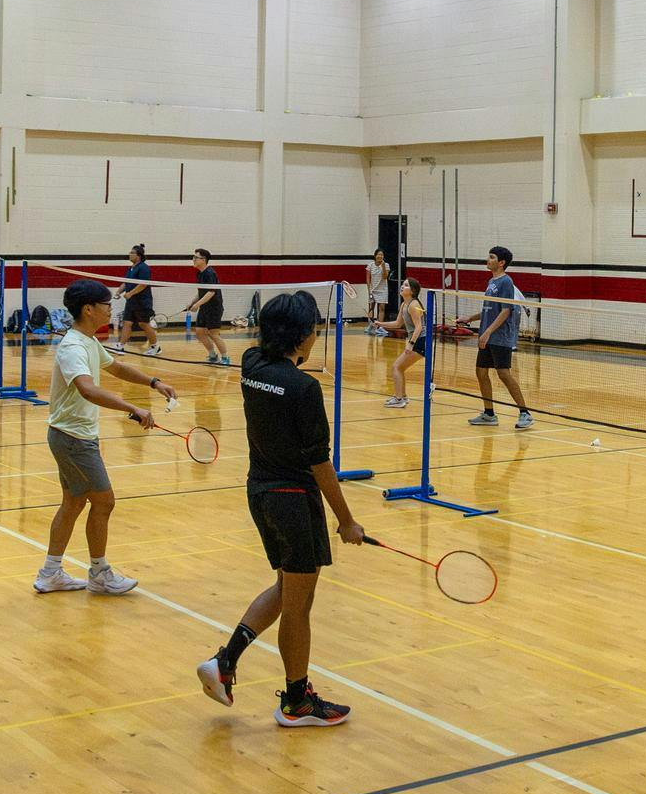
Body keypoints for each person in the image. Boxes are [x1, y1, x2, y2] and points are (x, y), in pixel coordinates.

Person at [197, 291, 366, 726]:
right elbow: (320, 462)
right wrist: (346, 521)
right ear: (304, 336)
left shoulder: (251, 364)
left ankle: (226, 661)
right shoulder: (303, 388)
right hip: (294, 500)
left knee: (286, 588)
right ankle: (296, 701)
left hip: (260, 492)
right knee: (298, 605)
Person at [35, 278, 176, 596]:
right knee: (104, 502)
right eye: (106, 305)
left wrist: (154, 382)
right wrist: (132, 408)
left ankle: (50, 572)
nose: (111, 309)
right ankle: (99, 572)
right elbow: (87, 388)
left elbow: (117, 368)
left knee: (73, 503)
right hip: (74, 440)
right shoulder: (72, 347)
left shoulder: (88, 341)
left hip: (72, 436)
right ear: (88, 309)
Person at [460, 246, 532, 430]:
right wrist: (470, 318)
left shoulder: (506, 282)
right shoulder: (491, 281)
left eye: (492, 257)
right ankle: (489, 414)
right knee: (481, 372)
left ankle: (525, 413)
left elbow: (506, 311)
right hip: (488, 334)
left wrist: (488, 332)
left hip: (500, 337)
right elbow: (488, 310)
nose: (488, 259)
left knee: (503, 373)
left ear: (501, 263)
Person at [374, 276, 427, 407]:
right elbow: (398, 324)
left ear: (413, 291)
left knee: (396, 366)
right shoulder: (404, 304)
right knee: (400, 367)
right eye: (403, 284)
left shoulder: (414, 305)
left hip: (421, 340)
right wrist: (381, 324)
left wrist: (411, 344)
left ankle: (398, 399)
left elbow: (419, 326)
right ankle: (402, 397)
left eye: (407, 285)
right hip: (417, 340)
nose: (403, 286)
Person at [182, 248, 230, 366]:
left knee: (214, 333)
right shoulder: (200, 273)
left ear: (203, 260)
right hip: (205, 307)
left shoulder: (210, 273)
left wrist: (197, 305)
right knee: (199, 332)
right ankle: (213, 355)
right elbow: (201, 292)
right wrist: (192, 303)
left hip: (214, 308)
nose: (193, 260)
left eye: (195, 258)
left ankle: (225, 358)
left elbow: (211, 292)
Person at [115, 244, 161, 357]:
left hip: (142, 301)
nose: (129, 255)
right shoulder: (131, 268)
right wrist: (118, 292)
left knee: (144, 324)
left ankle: (156, 347)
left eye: (132, 253)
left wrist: (130, 293)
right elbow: (126, 282)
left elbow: (143, 284)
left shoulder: (144, 268)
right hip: (131, 302)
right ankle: (120, 346)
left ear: (138, 255)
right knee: (127, 323)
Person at [366, 249, 392, 325]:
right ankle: (370, 325)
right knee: (371, 308)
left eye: (382, 255)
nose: (380, 256)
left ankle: (379, 326)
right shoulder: (370, 265)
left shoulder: (386, 265)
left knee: (381, 308)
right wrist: (369, 290)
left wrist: (383, 266)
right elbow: (368, 279)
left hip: (382, 290)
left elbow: (385, 277)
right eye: (378, 254)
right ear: (375, 256)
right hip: (372, 290)